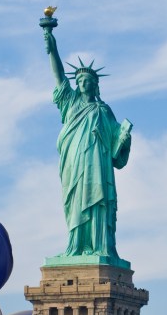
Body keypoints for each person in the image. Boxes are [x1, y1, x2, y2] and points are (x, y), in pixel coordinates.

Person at [44, 29, 132, 260]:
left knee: (99, 201)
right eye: (80, 81)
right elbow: (58, 74)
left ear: (95, 85)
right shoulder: (70, 102)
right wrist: (50, 42)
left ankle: (101, 247)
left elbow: (116, 148)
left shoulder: (103, 110)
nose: (82, 84)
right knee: (75, 202)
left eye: (87, 81)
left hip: (98, 165)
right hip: (74, 162)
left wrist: (124, 138)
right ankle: (75, 246)